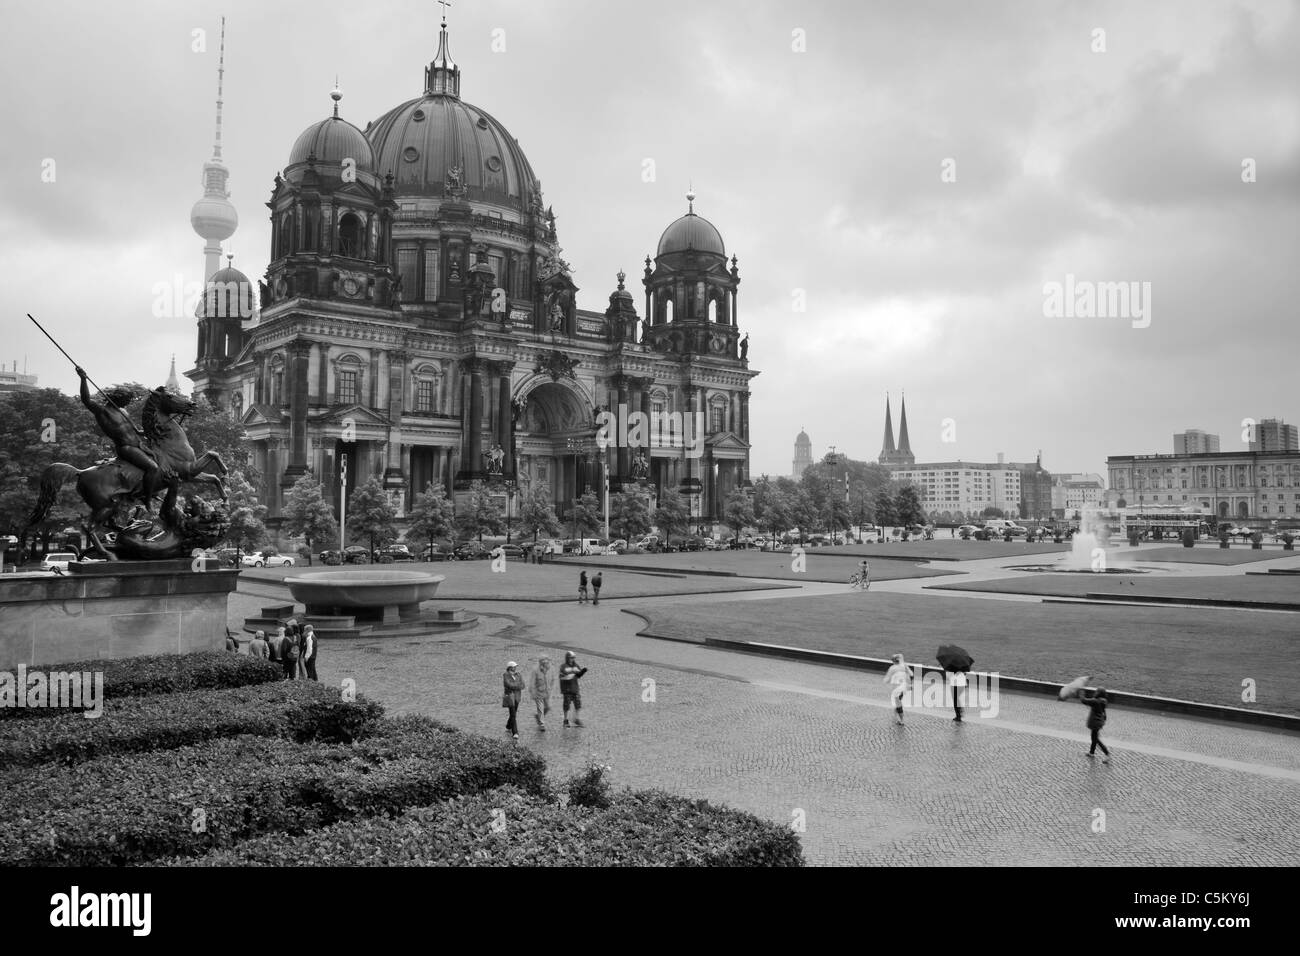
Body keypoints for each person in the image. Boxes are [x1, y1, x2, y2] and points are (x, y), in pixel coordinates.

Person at [74, 367, 167, 514]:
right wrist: (83, 378)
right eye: (127, 400)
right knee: (152, 468)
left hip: (139, 445)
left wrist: (149, 432)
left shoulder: (123, 411)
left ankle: (146, 489)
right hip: (126, 448)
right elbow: (86, 400)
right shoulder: (103, 411)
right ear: (120, 398)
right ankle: (147, 500)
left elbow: (135, 430)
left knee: (163, 463)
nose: (128, 403)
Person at [1081, 687, 1111, 762]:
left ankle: (1107, 753)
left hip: (1095, 722)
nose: (1095, 692)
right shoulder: (1103, 701)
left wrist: (1081, 693)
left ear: (1098, 693)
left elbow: (1084, 701)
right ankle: (1091, 752)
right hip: (1099, 722)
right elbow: (1104, 712)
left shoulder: (1095, 701)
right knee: (1093, 737)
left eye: (1096, 692)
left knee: (1096, 739)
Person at [559, 651, 587, 728]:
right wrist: (571, 676)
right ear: (567, 658)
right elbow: (562, 677)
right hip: (567, 689)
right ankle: (565, 720)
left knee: (578, 704)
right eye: (571, 658)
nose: (573, 659)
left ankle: (577, 719)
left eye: (573, 658)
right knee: (566, 705)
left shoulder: (575, 665)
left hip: (575, 688)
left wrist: (582, 672)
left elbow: (578, 675)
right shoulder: (563, 666)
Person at [883, 653, 913, 725]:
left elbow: (886, 679)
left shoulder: (892, 668)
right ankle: (897, 718)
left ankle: (901, 720)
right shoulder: (905, 666)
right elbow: (911, 674)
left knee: (897, 703)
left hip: (896, 688)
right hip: (903, 687)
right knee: (898, 702)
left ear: (893, 661)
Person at [502, 661, 525, 740]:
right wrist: (517, 685)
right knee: (513, 714)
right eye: (513, 666)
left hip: (517, 697)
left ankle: (508, 725)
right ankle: (515, 732)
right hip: (510, 697)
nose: (515, 668)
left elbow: (523, 685)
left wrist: (516, 686)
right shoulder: (506, 675)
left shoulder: (518, 674)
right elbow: (508, 684)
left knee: (513, 713)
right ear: (510, 667)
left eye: (515, 666)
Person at [530, 655, 554, 731]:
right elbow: (532, 682)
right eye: (544, 662)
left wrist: (551, 688)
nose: (546, 663)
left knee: (548, 707)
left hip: (547, 692)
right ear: (541, 663)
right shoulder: (536, 670)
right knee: (540, 708)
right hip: (538, 692)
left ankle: (538, 717)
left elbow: (553, 679)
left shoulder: (551, 669)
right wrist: (532, 692)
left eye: (547, 662)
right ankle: (542, 724)